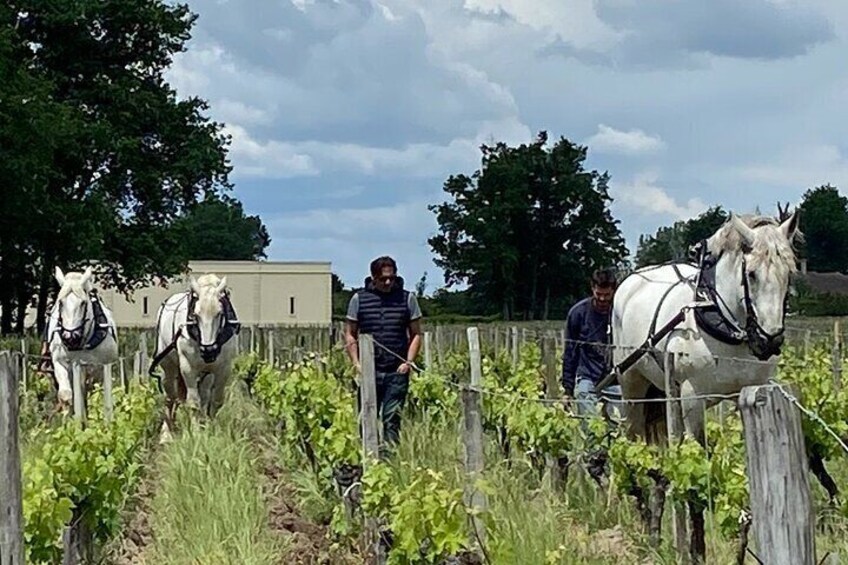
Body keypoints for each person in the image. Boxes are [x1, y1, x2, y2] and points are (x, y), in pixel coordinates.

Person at [344, 256, 423, 453]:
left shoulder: (407, 299)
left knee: (392, 417)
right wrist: (356, 363)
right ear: (373, 278)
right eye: (383, 279)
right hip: (369, 370)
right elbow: (350, 333)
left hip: (397, 370)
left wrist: (409, 361)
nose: (388, 282)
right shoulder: (358, 299)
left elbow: (416, 334)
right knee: (367, 416)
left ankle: (390, 460)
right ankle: (369, 456)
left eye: (391, 278)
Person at [561, 267, 622, 420]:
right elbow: (570, 352)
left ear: (614, 291)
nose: (602, 299)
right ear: (592, 288)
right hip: (588, 376)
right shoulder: (578, 314)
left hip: (616, 378)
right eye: (599, 294)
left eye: (607, 295)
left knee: (616, 426)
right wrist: (567, 390)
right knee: (591, 426)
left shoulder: (622, 314)